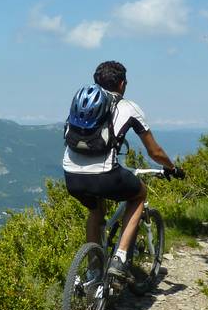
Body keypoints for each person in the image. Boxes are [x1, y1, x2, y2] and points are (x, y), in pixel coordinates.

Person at [63, 60, 182, 280]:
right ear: (122, 84)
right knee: (139, 194)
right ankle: (120, 257)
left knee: (95, 211)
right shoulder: (128, 107)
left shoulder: (81, 104)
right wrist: (172, 168)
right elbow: (154, 151)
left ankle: (93, 272)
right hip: (106, 176)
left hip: (71, 176)